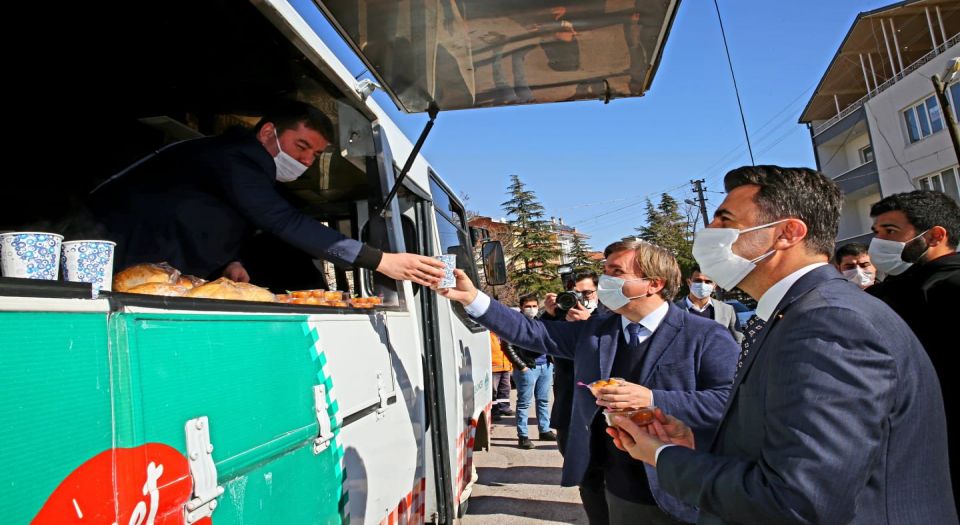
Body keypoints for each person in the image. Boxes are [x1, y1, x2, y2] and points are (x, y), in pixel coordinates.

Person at [606, 166, 956, 524]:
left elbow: (799, 500)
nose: (708, 231)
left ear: (787, 233)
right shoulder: (798, 312)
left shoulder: (830, 322)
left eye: (725, 219)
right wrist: (694, 448)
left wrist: (664, 456)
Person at [438, 240, 739, 525]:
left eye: (617, 272)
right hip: (610, 482)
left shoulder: (706, 335)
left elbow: (730, 402)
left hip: (676, 483)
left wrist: (652, 398)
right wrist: (472, 298)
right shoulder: (596, 330)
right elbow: (531, 332)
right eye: (604, 271)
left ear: (654, 284)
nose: (605, 280)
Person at [90, 99, 444, 286]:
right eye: (301, 146)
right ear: (267, 133)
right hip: (110, 255)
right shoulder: (236, 157)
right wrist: (380, 260)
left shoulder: (249, 172)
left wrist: (230, 262)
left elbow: (218, 219)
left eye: (315, 154)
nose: (306, 160)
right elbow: (282, 220)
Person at [866, 189, 960, 493]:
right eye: (877, 232)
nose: (879, 242)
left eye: (890, 231)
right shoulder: (892, 290)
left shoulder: (951, 285)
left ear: (934, 236)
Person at [541, 269, 603, 455]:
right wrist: (549, 315)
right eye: (576, 294)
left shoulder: (609, 317)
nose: (581, 299)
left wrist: (588, 324)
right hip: (568, 406)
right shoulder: (559, 319)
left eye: (586, 293)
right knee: (572, 460)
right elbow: (532, 348)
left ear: (598, 291)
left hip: (602, 409)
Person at [510, 294, 557, 449]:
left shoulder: (540, 322)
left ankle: (544, 430)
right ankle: (523, 436)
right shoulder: (516, 323)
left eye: (534, 306)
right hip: (528, 368)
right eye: (528, 306)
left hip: (546, 366)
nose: (531, 309)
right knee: (524, 403)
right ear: (521, 307)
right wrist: (521, 366)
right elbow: (507, 346)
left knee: (543, 400)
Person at [674, 266, 742, 343]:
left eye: (708, 282)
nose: (703, 285)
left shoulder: (727, 310)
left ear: (714, 285)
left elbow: (738, 341)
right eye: (698, 281)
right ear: (689, 282)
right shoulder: (673, 310)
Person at [489, 331, 516, 421]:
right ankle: (494, 411)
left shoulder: (503, 333)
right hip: (493, 368)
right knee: (493, 391)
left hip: (506, 366)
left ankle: (504, 408)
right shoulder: (489, 335)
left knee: (505, 389)